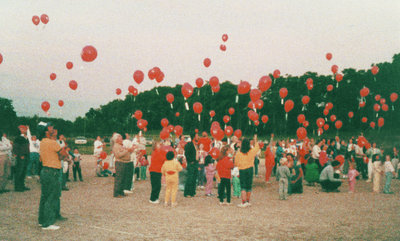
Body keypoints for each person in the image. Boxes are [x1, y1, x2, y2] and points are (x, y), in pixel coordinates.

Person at [38, 123, 67, 230]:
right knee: (51, 197)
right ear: (46, 131)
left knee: (44, 197)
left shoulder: (42, 142)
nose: (52, 129)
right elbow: (64, 154)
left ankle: (42, 221)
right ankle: (48, 223)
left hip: (45, 170)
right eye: (50, 128)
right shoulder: (52, 142)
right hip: (52, 171)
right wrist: (61, 155)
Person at [235, 134, 259, 208]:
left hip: (242, 169)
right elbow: (257, 147)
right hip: (250, 169)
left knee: (243, 186)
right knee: (249, 186)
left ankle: (243, 201)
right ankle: (248, 201)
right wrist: (255, 139)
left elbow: (236, 162)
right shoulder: (251, 151)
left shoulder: (239, 153)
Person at [111, 133, 135, 198]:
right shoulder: (116, 146)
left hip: (125, 162)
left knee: (123, 179)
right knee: (119, 178)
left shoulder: (121, 145)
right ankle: (116, 193)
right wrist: (127, 150)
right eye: (120, 138)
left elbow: (125, 152)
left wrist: (130, 150)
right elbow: (118, 155)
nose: (122, 139)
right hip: (120, 163)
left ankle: (121, 192)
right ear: (117, 139)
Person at [13, 125, 30, 192]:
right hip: (21, 157)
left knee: (23, 172)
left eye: (25, 129)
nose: (25, 130)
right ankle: (17, 187)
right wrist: (20, 155)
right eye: (23, 129)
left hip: (26, 156)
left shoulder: (26, 138)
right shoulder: (18, 138)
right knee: (19, 172)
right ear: (20, 129)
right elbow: (15, 147)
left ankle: (22, 185)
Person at [184, 132, 199, 198]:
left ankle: (193, 192)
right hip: (191, 163)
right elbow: (186, 154)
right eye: (197, 136)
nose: (198, 137)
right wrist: (190, 160)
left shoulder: (196, 145)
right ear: (193, 137)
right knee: (190, 178)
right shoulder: (189, 144)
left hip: (196, 163)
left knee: (194, 178)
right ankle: (187, 193)